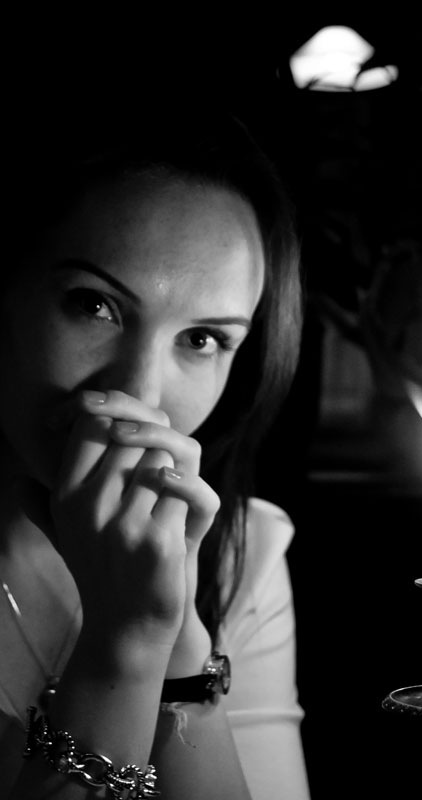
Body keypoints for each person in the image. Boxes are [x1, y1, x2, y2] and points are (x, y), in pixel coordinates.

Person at [0, 109, 310, 799]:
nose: (139, 393)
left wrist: (177, 642)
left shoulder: (245, 551)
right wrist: (125, 647)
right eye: (93, 305)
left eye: (201, 339)